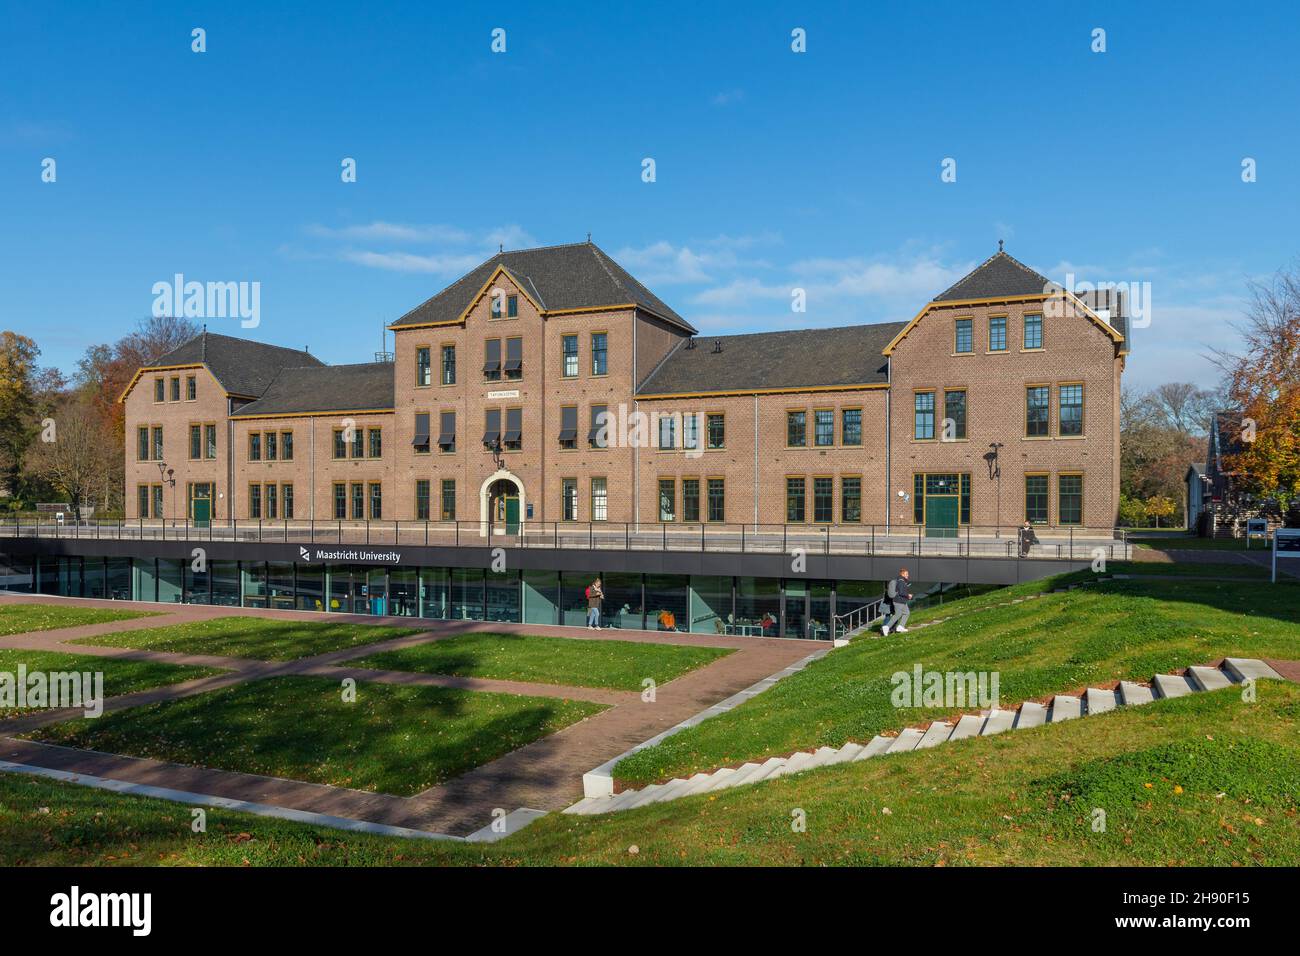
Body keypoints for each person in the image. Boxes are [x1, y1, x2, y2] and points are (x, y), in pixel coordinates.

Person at [881, 568, 912, 636]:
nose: (908, 575)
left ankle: (900, 627)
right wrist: (908, 595)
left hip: (902, 601)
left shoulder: (902, 580)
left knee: (906, 613)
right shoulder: (901, 581)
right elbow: (901, 592)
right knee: (898, 614)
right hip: (899, 601)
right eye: (906, 574)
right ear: (902, 574)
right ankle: (887, 627)